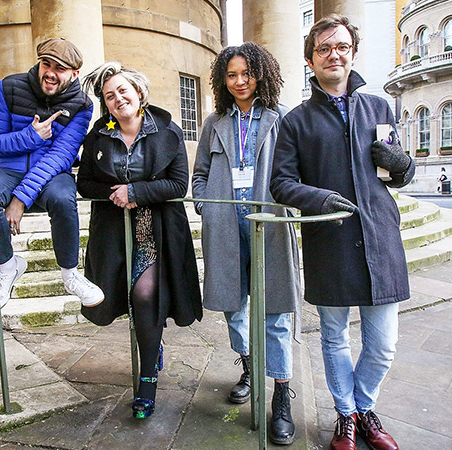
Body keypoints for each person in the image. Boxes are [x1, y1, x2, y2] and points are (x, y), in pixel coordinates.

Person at [270, 14, 414, 450]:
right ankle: (346, 416)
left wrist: (401, 162)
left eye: (343, 47)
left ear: (353, 53)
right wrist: (318, 199)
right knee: (334, 337)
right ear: (311, 59)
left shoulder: (379, 107)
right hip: (329, 237)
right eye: (324, 49)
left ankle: (363, 407)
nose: (334, 54)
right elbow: (281, 183)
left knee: (383, 344)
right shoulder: (295, 120)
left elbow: (400, 173)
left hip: (379, 235)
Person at [78, 62, 202, 420]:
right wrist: (117, 193)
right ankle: (153, 344)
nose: (117, 99)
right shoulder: (99, 136)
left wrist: (138, 192)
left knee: (145, 294)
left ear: (139, 92)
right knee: (124, 296)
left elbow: (179, 184)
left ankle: (147, 379)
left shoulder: (167, 131)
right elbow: (84, 183)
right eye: (109, 96)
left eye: (122, 91)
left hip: (155, 226)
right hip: (114, 228)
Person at [191, 42, 301, 445]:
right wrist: (206, 205)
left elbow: (292, 172)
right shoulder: (213, 122)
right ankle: (251, 366)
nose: (239, 81)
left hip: (269, 221)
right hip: (224, 221)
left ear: (261, 74)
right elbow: (199, 172)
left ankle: (282, 398)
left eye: (246, 74)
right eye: (232, 75)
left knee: (275, 311)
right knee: (233, 305)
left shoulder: (280, 119)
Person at [0, 38, 104, 313]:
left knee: (64, 198)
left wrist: (19, 199)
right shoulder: (10, 87)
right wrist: (30, 136)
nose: (51, 72)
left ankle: (70, 274)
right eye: (46, 64)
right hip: (9, 168)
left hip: (53, 173)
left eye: (60, 68)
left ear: (75, 73)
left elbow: (61, 156)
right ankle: (8, 265)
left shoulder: (82, 105)